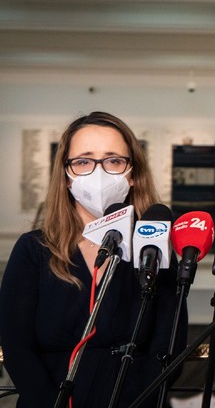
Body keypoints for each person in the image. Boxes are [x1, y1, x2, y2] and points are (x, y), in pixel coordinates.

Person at [0, 111, 187, 408]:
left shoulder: (153, 247)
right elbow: (17, 348)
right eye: (84, 161)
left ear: (132, 174)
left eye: (113, 161)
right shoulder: (34, 249)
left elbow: (169, 346)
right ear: (66, 175)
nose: (99, 173)